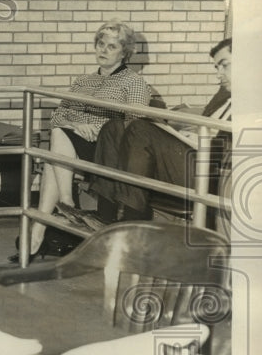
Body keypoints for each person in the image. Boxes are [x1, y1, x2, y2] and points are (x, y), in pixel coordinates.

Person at [19, 20, 151, 259]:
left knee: (54, 152)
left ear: (125, 52)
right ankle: (56, 216)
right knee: (57, 144)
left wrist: (95, 126)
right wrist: (76, 125)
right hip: (73, 142)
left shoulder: (134, 82)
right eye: (100, 44)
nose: (103, 50)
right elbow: (59, 115)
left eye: (111, 46)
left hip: (107, 149)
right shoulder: (83, 81)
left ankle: (48, 222)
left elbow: (137, 125)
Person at [90, 37, 232, 223]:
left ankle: (133, 221)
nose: (218, 74)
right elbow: (203, 122)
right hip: (192, 155)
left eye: (224, 65)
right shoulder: (224, 94)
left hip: (211, 172)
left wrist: (200, 140)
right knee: (115, 127)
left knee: (140, 130)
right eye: (216, 67)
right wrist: (183, 131)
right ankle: (105, 216)